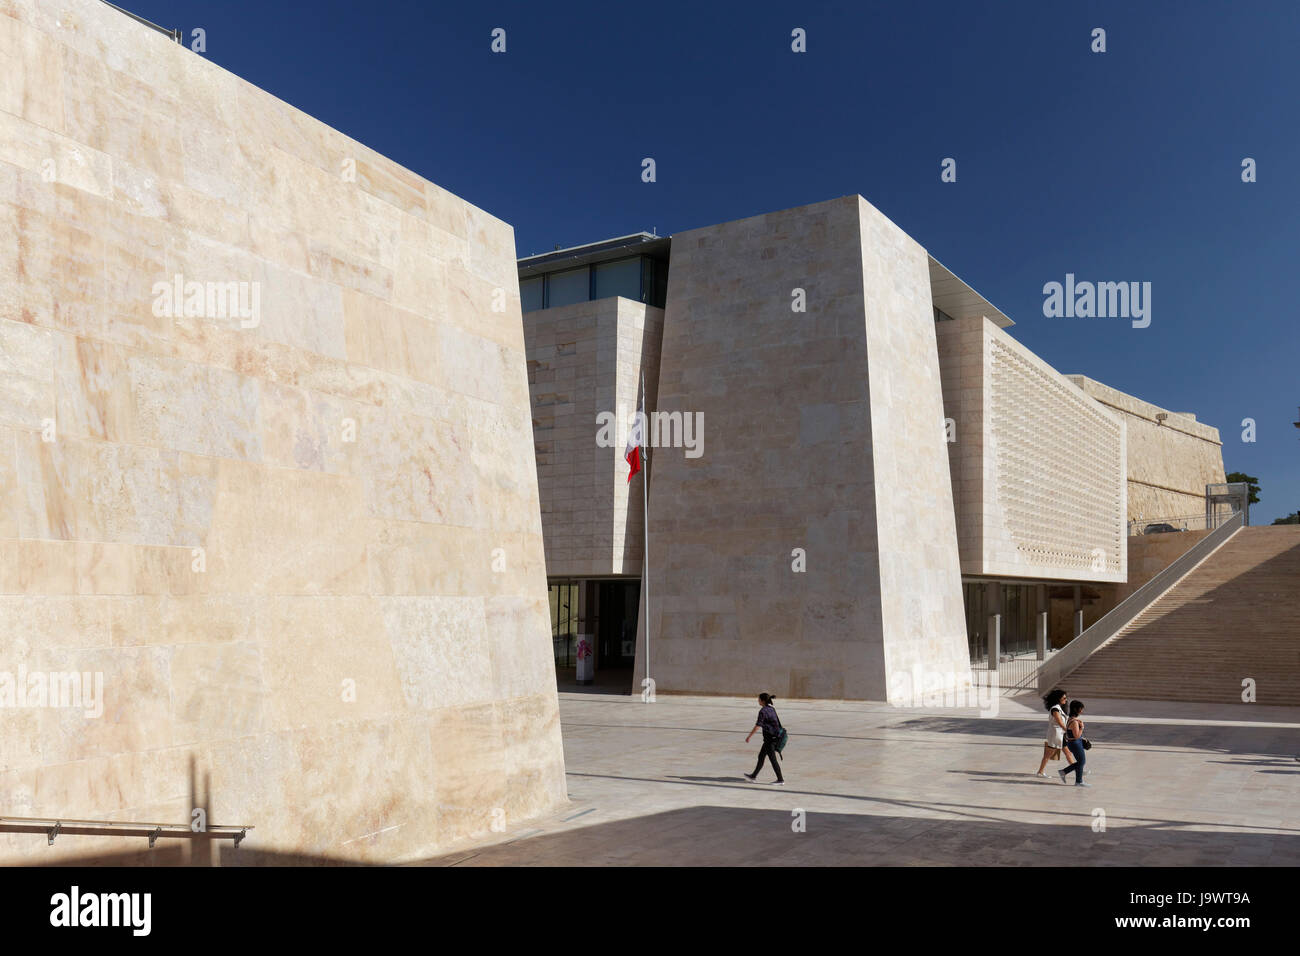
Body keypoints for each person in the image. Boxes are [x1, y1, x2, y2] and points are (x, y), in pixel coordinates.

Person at [743, 692, 785, 786]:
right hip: (773, 738)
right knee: (761, 756)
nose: (758, 700)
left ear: (762, 701)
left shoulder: (763, 711)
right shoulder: (771, 709)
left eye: (758, 699)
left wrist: (749, 736)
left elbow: (758, 725)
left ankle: (780, 779)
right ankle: (753, 776)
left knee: (773, 760)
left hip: (770, 739)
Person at [1036, 688, 1076, 777]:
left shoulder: (1059, 708)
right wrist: (1067, 730)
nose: (1066, 700)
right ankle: (1040, 772)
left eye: (1066, 698)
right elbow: (1059, 722)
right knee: (1048, 755)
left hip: (1060, 735)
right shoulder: (1055, 709)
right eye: (1064, 698)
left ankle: (1077, 770)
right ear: (1058, 699)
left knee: (1068, 753)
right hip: (1055, 735)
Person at [1058, 700, 1089, 786]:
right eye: (1081, 709)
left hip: (1073, 743)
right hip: (1075, 743)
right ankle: (1067, 774)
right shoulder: (1074, 722)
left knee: (1080, 762)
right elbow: (1076, 736)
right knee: (1081, 761)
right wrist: (1082, 727)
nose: (1082, 711)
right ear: (1077, 709)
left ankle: (1078, 781)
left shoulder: (1071, 719)